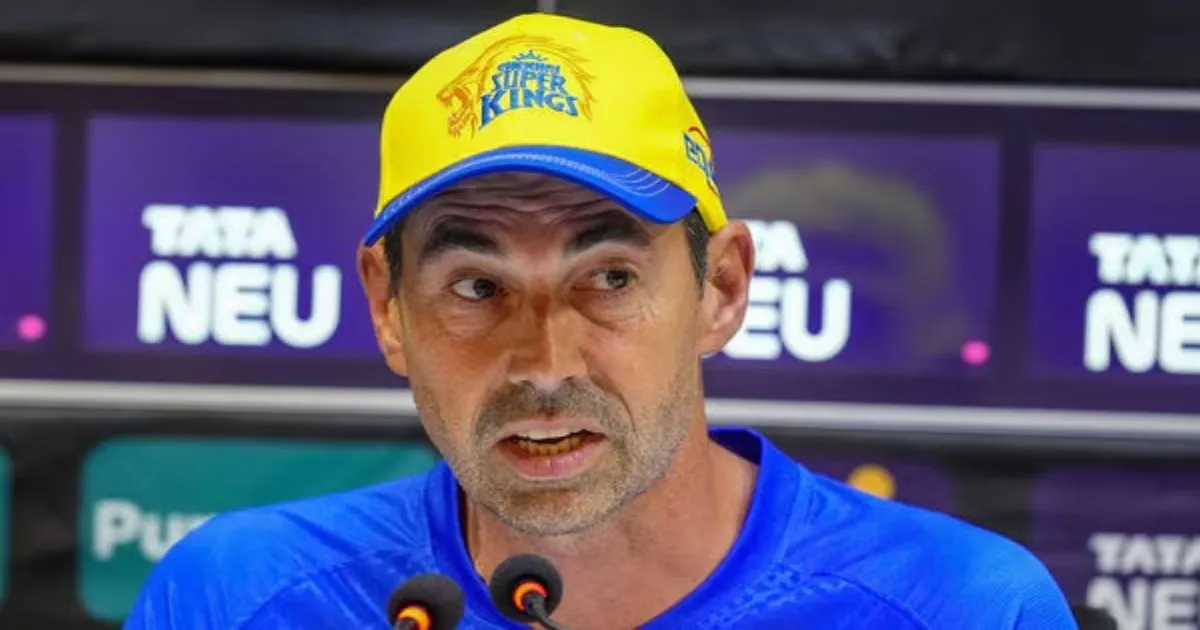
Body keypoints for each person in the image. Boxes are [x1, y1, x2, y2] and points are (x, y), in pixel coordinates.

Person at [124, 12, 1078, 630]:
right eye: (476, 286)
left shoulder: (964, 608)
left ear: (722, 288)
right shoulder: (233, 597)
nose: (544, 362)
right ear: (388, 308)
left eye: (609, 278)